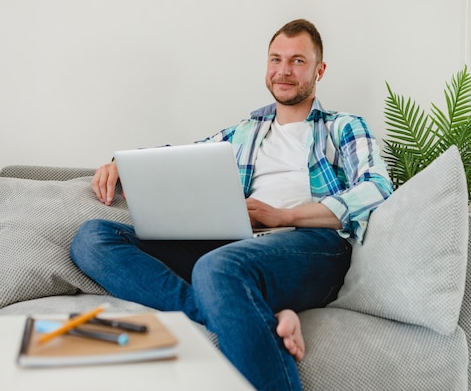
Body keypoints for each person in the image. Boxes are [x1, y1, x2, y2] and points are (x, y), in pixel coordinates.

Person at [70, 19, 393, 391]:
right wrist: (120, 164)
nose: (283, 70)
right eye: (276, 59)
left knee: (217, 268)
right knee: (93, 238)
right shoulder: (244, 131)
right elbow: (180, 158)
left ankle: (228, 300)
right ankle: (244, 313)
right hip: (235, 243)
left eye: (298, 61)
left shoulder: (343, 127)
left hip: (311, 245)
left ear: (319, 70)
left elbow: (378, 186)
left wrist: (285, 215)